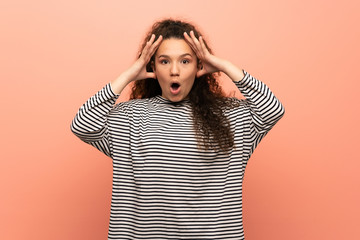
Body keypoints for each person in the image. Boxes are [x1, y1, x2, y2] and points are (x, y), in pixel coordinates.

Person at [71, 19, 285, 240]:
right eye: (164, 61)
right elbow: (83, 124)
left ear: (199, 65)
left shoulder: (230, 116)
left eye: (185, 61)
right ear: (152, 66)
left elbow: (272, 109)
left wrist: (224, 66)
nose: (174, 71)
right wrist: (128, 75)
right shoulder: (130, 117)